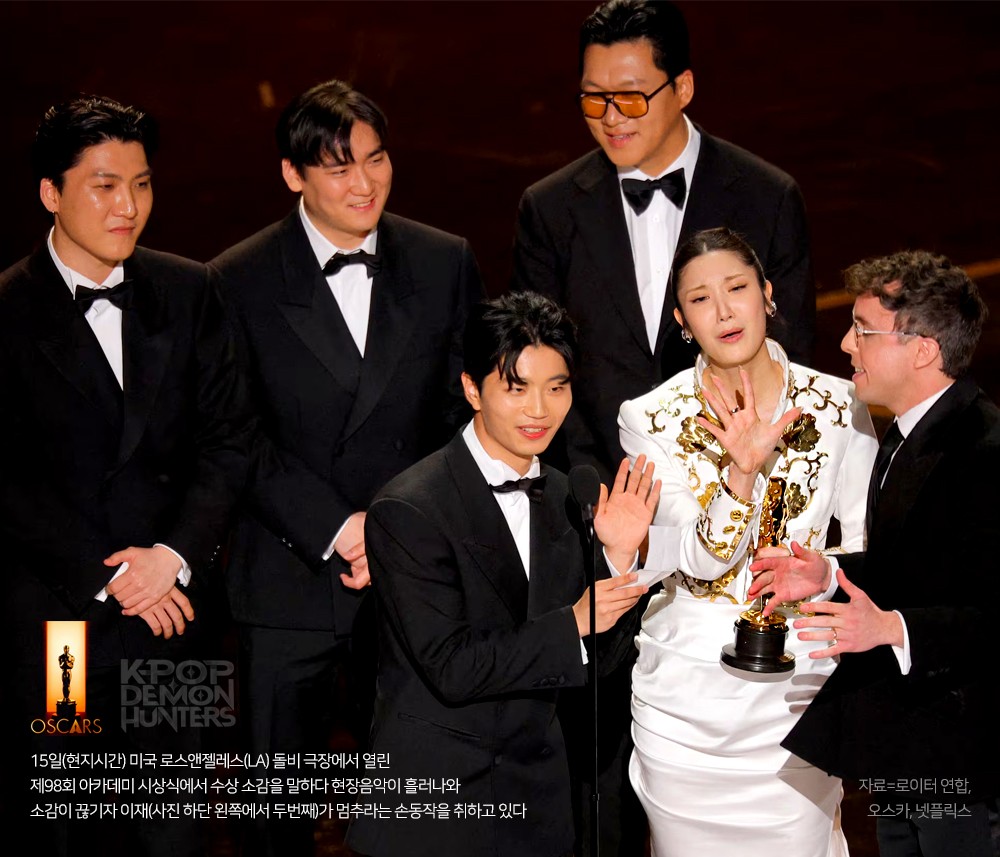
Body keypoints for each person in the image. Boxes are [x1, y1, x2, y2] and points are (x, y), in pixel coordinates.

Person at [210, 79, 484, 855]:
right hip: (286, 577)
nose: (365, 183)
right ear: (293, 175)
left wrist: (396, 526)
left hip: (410, 576)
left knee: (410, 810)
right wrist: (338, 527)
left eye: (376, 158)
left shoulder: (442, 260)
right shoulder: (236, 279)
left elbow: (464, 413)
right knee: (275, 821)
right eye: (338, 168)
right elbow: (234, 433)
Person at [0, 95, 254, 856]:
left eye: (141, 184)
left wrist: (171, 557)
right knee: (71, 827)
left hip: (174, 619)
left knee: (178, 831)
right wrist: (112, 576)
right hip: (61, 630)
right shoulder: (6, 309)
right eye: (104, 185)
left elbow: (230, 441)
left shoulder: (191, 289)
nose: (129, 206)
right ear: (51, 193)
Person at [346, 292, 658, 857]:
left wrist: (617, 560)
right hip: (436, 809)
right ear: (473, 389)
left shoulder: (570, 495)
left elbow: (599, 663)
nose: (539, 409)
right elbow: (452, 667)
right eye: (517, 388)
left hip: (538, 803)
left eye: (556, 387)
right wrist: (572, 622)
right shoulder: (409, 507)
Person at [617, 228, 877, 856]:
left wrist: (823, 575)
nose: (724, 311)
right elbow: (697, 559)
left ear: (767, 293)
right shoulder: (649, 417)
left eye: (736, 288)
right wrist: (740, 474)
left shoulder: (839, 403)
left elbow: (867, 547)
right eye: (700, 299)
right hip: (687, 703)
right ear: (681, 322)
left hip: (801, 691)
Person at [750, 250, 1000, 857]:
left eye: (863, 330)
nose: (845, 343)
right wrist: (828, 574)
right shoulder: (907, 434)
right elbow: (915, 567)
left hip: (966, 752)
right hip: (906, 739)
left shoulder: (987, 451)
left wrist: (891, 628)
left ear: (923, 350)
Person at [512, 0, 813, 483]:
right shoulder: (550, 209)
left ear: (683, 88)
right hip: (600, 491)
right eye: (594, 98)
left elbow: (790, 353)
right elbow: (536, 362)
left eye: (631, 97)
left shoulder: (767, 198)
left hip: (738, 478)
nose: (611, 118)